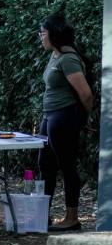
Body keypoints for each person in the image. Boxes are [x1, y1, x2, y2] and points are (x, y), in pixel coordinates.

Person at [38, 14, 94, 231]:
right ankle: (43, 215)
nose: (41, 37)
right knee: (46, 164)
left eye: (43, 33)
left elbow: (85, 94)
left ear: (54, 35)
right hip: (50, 116)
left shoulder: (69, 59)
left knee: (66, 165)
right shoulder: (55, 55)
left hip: (64, 116)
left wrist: (82, 118)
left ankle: (72, 218)